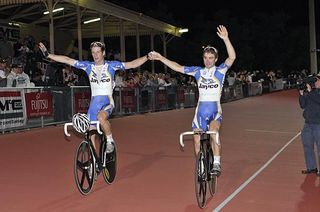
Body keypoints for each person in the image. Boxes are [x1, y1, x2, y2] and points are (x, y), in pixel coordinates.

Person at [148, 25, 236, 175]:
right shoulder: (198, 71)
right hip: (200, 110)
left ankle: (216, 163)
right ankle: (201, 164)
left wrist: (226, 39)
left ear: (215, 59)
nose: (208, 61)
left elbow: (232, 57)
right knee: (196, 139)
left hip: (215, 109)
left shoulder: (220, 70)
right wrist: (161, 58)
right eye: (205, 58)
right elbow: (178, 67)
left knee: (214, 132)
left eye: (210, 58)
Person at [39, 41, 149, 154]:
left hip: (107, 102)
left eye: (98, 52)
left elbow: (132, 64)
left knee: (101, 118)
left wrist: (147, 57)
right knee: (90, 132)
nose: (95, 55)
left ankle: (110, 140)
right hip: (94, 104)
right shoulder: (88, 66)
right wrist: (48, 55)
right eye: (93, 53)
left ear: (103, 53)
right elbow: (68, 60)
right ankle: (94, 160)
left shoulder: (111, 65)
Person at [299, 74, 320, 175]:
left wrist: (311, 91)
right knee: (307, 146)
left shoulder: (316, 93)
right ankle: (311, 168)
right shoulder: (309, 92)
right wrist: (302, 94)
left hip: (318, 124)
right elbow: (303, 105)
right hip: (308, 124)